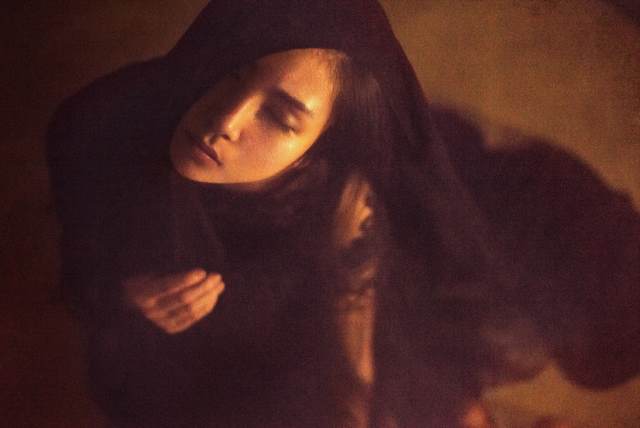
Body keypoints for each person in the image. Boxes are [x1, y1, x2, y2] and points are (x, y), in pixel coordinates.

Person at [46, 0, 640, 427]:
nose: (224, 120)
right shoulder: (98, 126)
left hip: (338, 306)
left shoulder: (348, 198)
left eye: (279, 117)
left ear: (319, 144)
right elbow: (83, 266)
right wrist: (128, 299)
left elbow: (360, 339)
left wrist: (350, 312)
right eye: (233, 70)